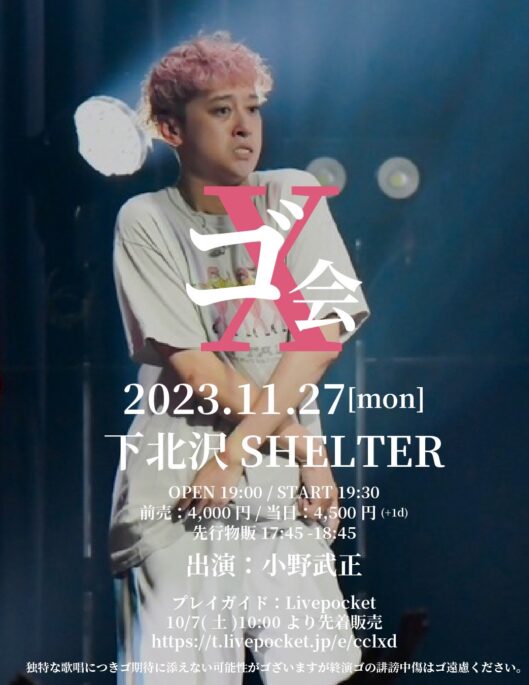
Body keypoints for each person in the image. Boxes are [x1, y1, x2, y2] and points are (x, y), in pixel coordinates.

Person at [110, 32, 370, 685]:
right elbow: (199, 371)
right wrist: (303, 447)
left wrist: (259, 455)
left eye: (252, 108)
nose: (245, 126)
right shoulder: (146, 219)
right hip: (181, 498)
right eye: (221, 110)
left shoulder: (294, 194)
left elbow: (319, 341)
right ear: (172, 128)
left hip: (280, 497)